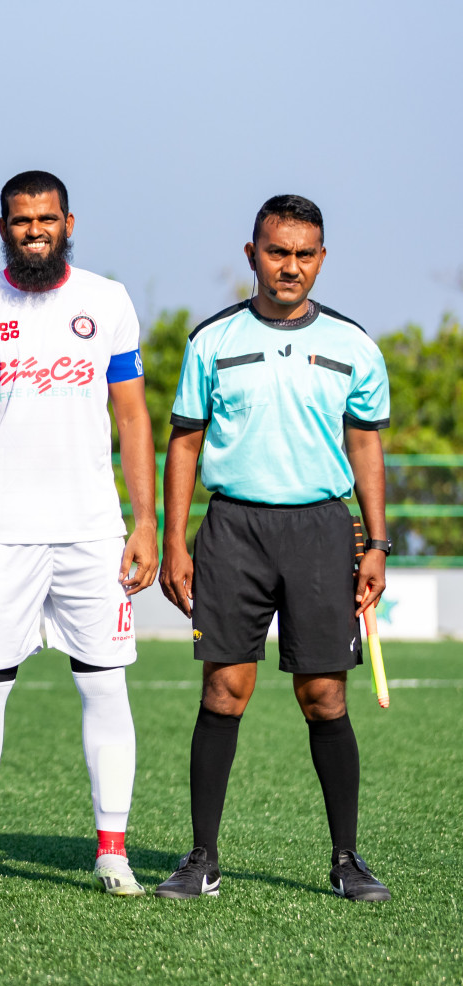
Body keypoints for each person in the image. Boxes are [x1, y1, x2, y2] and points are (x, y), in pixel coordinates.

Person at [0, 170, 157, 898]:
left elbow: (132, 418)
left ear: (69, 223)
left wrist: (144, 520)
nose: (35, 230)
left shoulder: (107, 300)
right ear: (3, 228)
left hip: (92, 533)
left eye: (47, 218)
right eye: (22, 220)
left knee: (105, 688)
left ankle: (113, 850)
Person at [156, 195, 391, 901]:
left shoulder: (354, 345)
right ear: (252, 253)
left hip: (322, 529)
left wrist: (376, 542)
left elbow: (366, 443)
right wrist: (174, 540)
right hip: (234, 530)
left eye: (304, 254)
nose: (290, 267)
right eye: (277, 251)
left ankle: (347, 859)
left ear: (321, 259)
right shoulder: (212, 340)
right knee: (224, 690)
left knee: (323, 694)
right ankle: (203, 859)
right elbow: (185, 441)